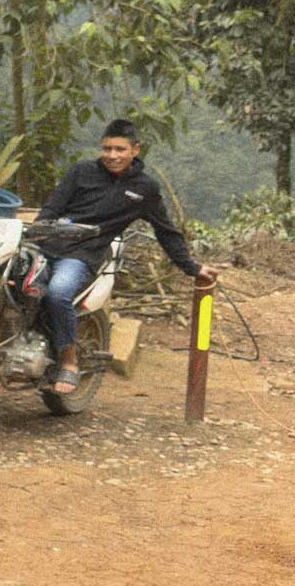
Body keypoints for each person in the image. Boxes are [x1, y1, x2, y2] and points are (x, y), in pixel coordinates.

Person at [35, 118, 219, 394]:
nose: (112, 156)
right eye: (107, 149)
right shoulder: (81, 172)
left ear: (135, 150)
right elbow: (51, 209)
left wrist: (192, 268)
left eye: (120, 149)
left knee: (58, 292)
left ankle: (69, 363)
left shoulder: (144, 189)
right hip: (47, 246)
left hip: (84, 254)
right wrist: (38, 233)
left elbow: (166, 232)